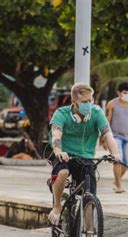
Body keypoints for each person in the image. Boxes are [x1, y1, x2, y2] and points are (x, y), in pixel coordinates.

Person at [48, 82, 120, 227]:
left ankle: (89, 236)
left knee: (89, 197)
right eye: (85, 102)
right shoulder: (61, 114)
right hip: (65, 155)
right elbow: (56, 136)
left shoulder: (96, 112)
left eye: (91, 100)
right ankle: (57, 207)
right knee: (62, 172)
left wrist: (115, 153)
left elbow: (107, 134)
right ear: (74, 102)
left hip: (86, 157)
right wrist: (59, 151)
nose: (89, 104)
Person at [104, 82, 128, 193]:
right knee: (117, 160)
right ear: (119, 93)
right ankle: (118, 186)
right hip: (115, 137)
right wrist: (104, 139)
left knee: (127, 162)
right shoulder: (112, 104)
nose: (127, 95)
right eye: (124, 93)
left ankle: (117, 181)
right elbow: (107, 121)